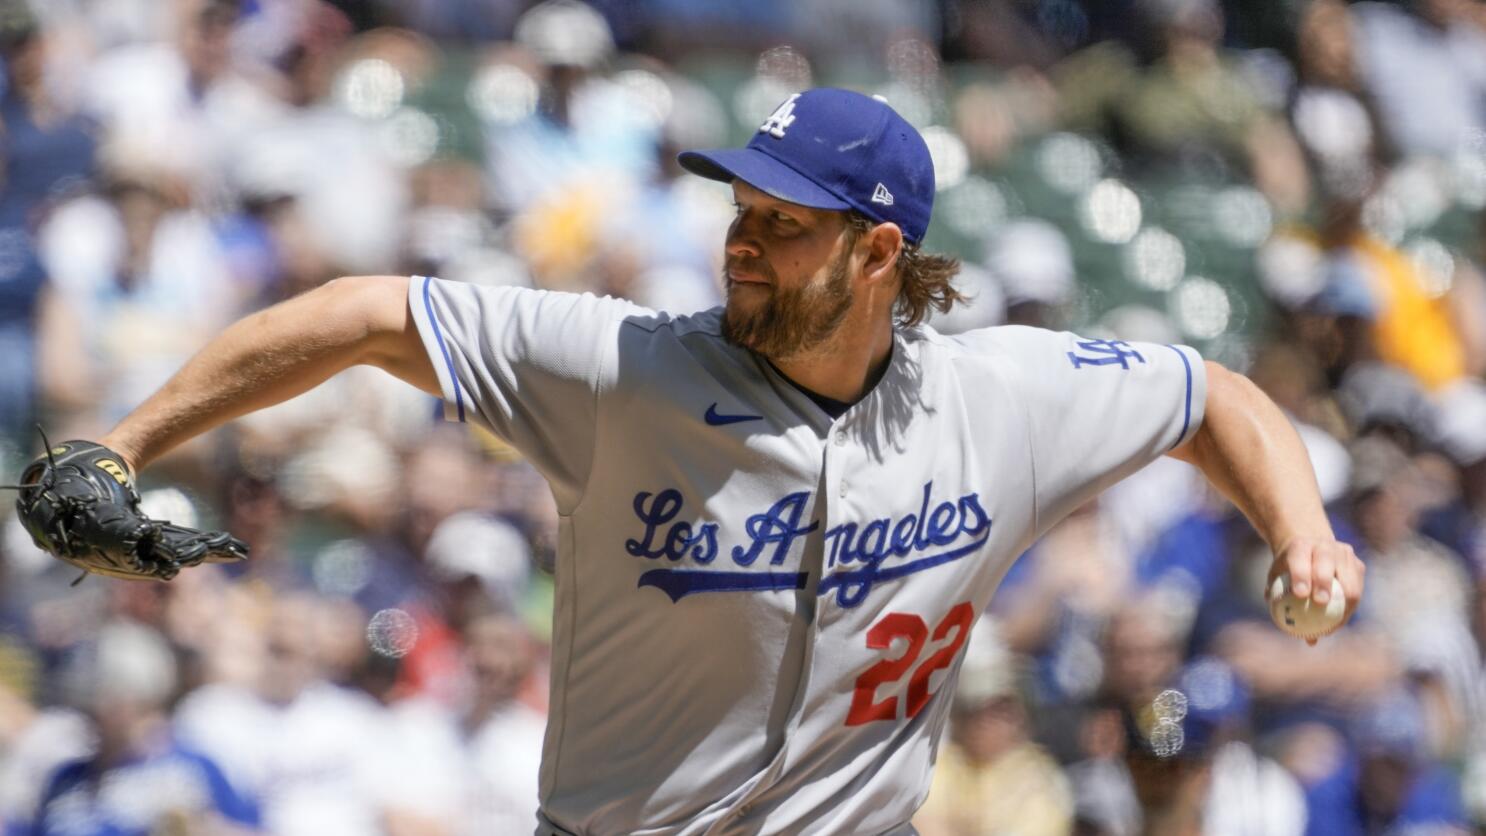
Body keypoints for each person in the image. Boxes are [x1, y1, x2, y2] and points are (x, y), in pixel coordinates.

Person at [68, 88, 1363, 835]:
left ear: (876, 256)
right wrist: (123, 442)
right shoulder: (625, 368)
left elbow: (1213, 395)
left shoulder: (998, 398)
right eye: (740, 212)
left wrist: (1300, 532)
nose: (742, 243)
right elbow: (363, 316)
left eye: (783, 225)